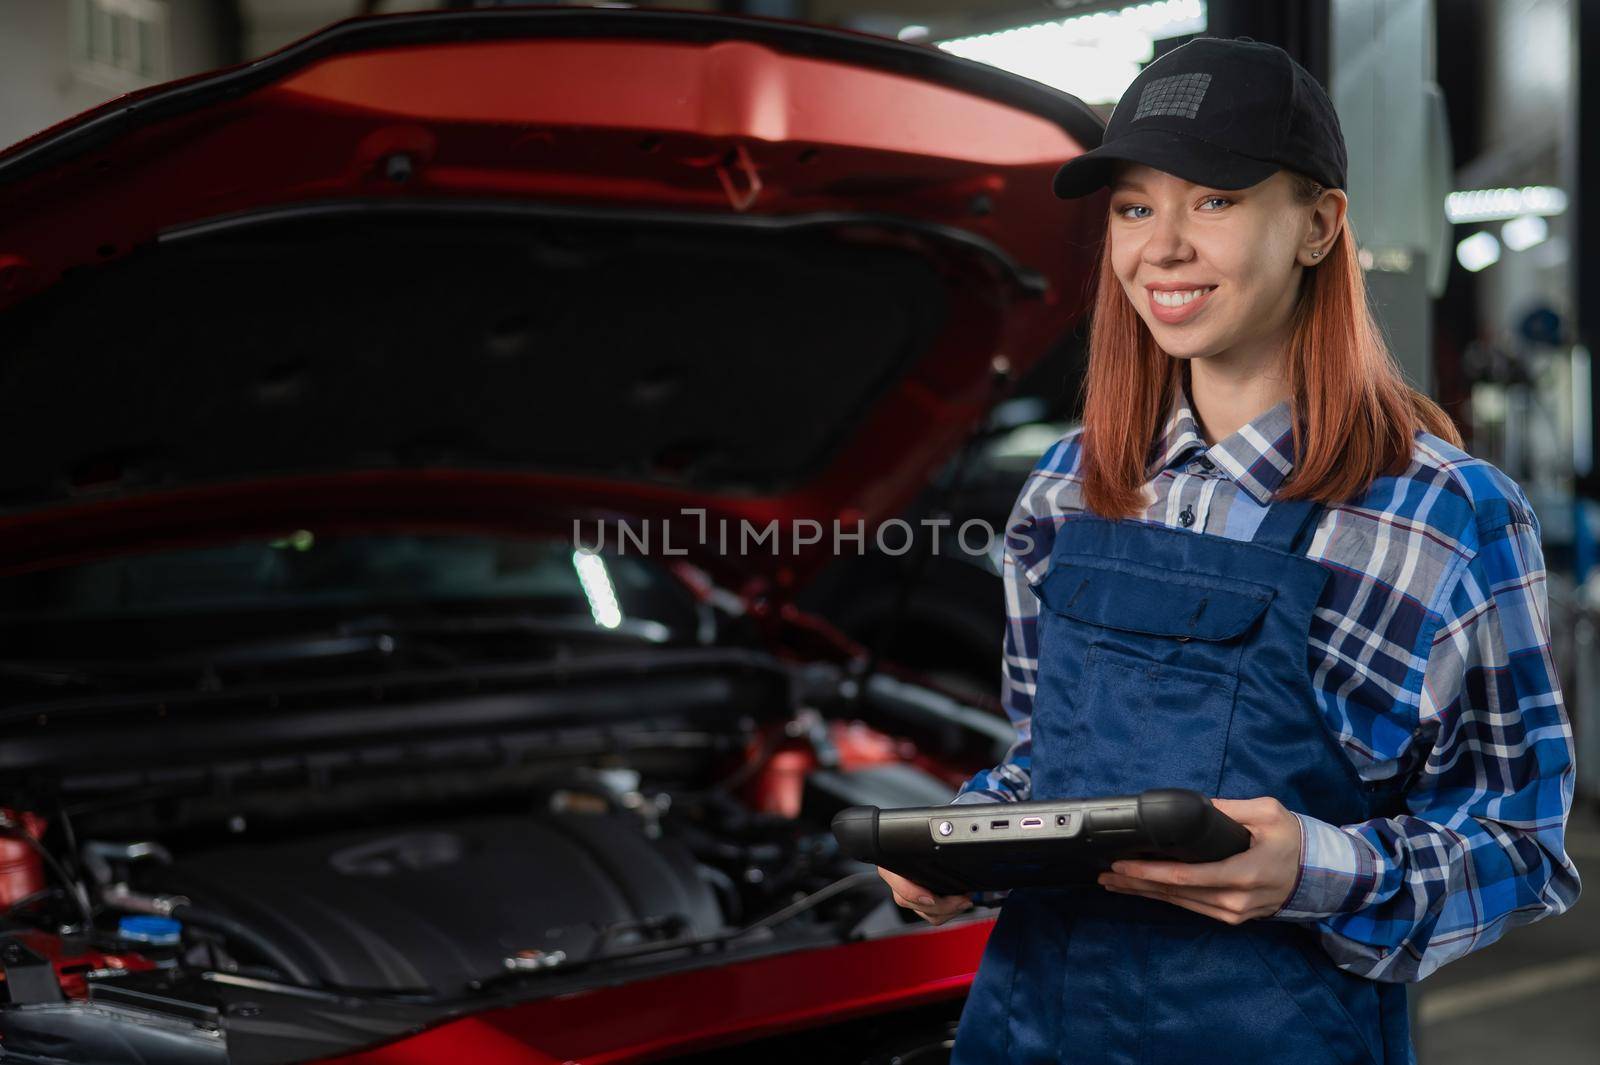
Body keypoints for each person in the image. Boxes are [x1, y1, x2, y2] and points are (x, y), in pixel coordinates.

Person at [873, 36, 1581, 1064]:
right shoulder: (1069, 487)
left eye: (1213, 200)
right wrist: (964, 842)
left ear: (1317, 226)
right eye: (1132, 206)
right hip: (1029, 1031)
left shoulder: (1438, 515)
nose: (1161, 247)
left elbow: (1519, 846)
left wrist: (1320, 870)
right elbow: (1047, 763)